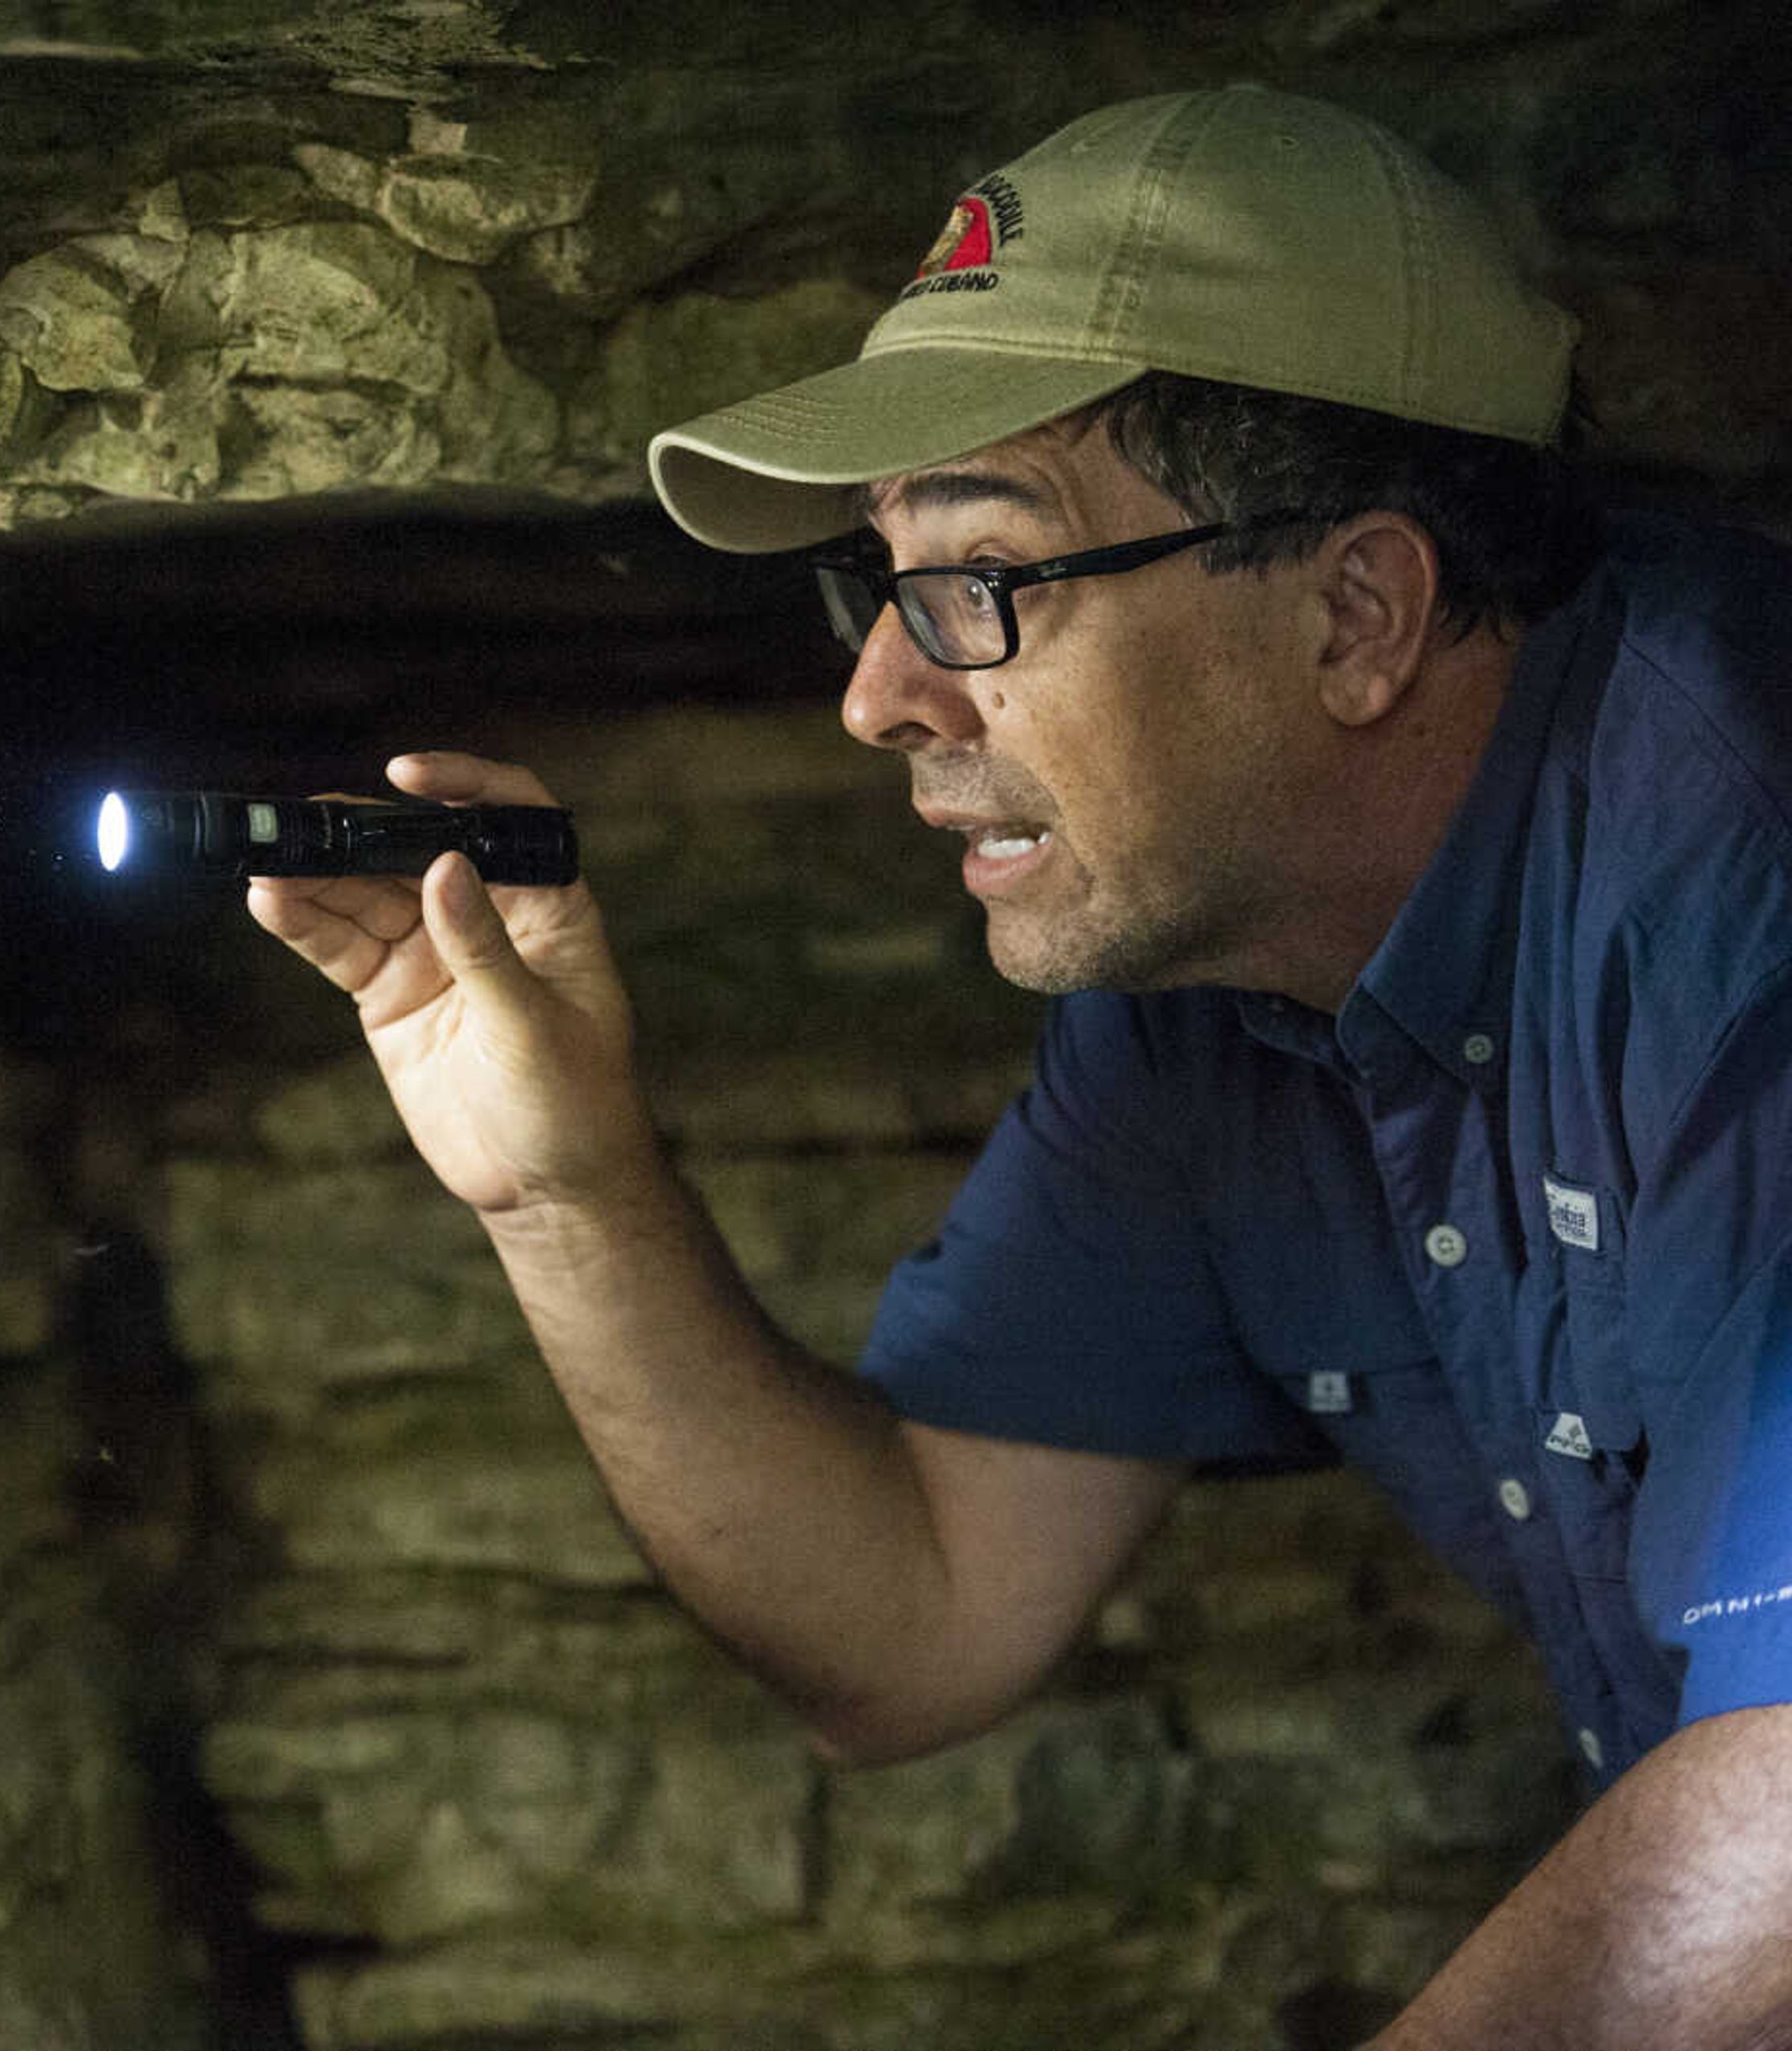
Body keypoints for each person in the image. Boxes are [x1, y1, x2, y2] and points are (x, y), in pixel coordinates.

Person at [248, 86, 1792, 2048]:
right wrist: (564, 1188)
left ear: (1356, 615)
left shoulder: (1741, 855)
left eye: (977, 579)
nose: (880, 695)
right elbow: (909, 1620)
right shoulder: (1211, 977)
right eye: (873, 581)